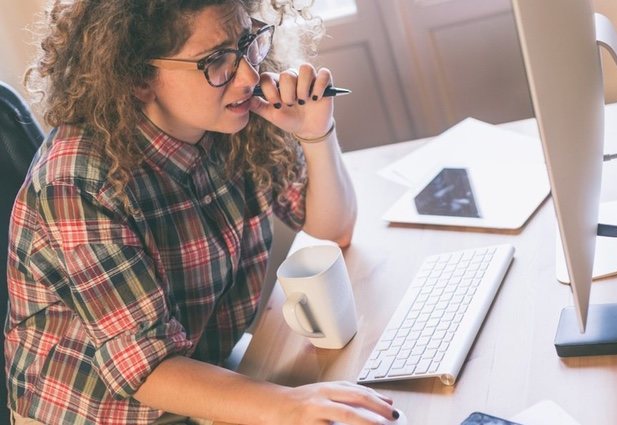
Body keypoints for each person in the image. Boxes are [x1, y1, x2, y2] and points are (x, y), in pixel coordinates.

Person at [4, 1, 399, 424]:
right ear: (137, 77)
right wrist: (291, 405)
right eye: (216, 61)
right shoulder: (77, 184)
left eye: (247, 42)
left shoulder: (231, 116)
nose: (248, 76)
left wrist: (316, 134)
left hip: (205, 371)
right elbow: (148, 369)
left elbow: (329, 234)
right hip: (104, 411)